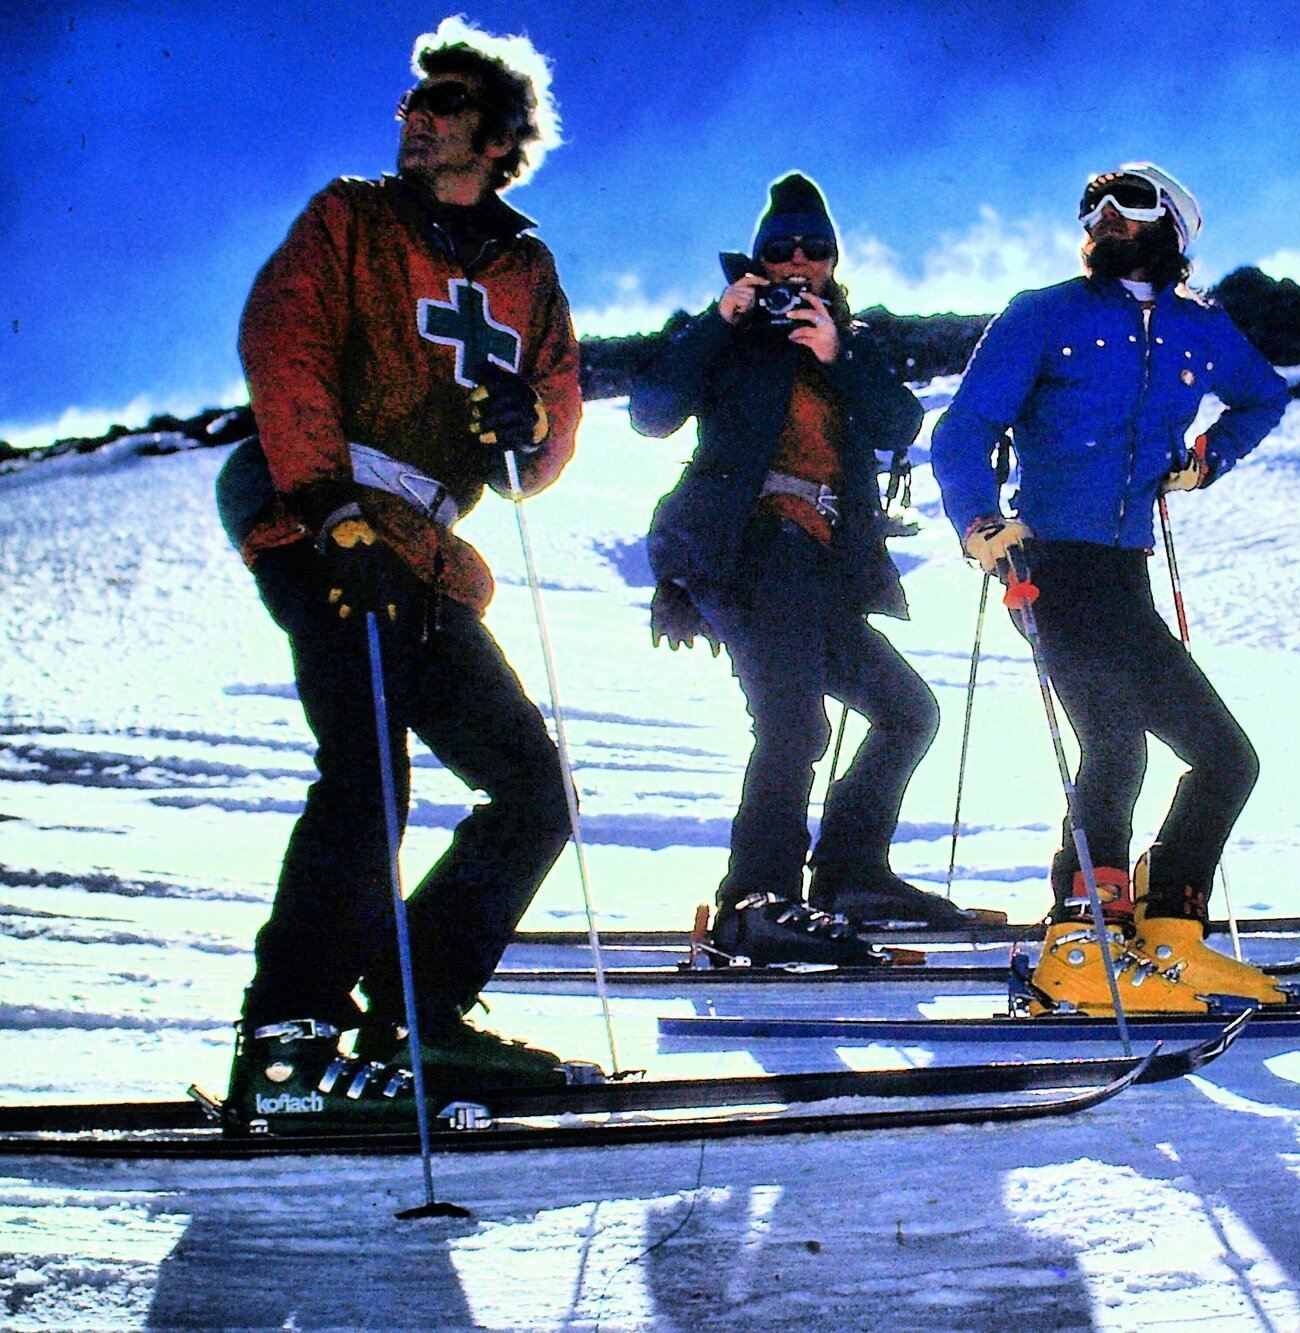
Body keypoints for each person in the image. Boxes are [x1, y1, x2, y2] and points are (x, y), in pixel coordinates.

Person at [214, 18, 585, 1130]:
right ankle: (287, 1040)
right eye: (410, 105)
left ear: (501, 131)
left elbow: (547, 428)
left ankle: (418, 1013)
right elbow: (284, 345)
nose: (414, 119)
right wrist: (329, 512)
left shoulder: (524, 269)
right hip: (315, 508)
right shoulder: (352, 218)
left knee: (531, 786)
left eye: (445, 104)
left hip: (423, 548)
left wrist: (530, 425)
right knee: (368, 772)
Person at [930, 163, 1291, 1014]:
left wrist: (1205, 462)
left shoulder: (1202, 327)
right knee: (1116, 744)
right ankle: (1080, 944)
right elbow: (963, 430)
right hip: (1046, 563)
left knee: (1227, 757)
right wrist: (982, 523)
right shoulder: (1043, 314)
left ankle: (1170, 938)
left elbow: (1264, 397)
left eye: (1128, 203)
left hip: (1124, 574)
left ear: (1174, 223)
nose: (1105, 218)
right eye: (1093, 206)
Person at [629, 172, 975, 967]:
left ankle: (850, 873)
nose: (796, 263)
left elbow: (901, 420)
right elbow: (652, 412)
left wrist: (838, 352)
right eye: (779, 249)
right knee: (793, 723)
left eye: (813, 250)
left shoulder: (846, 339)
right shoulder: (728, 333)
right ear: (757, 259)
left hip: (818, 564)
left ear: (831, 261)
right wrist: (721, 321)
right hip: (748, 550)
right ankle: (755, 900)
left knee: (907, 710)